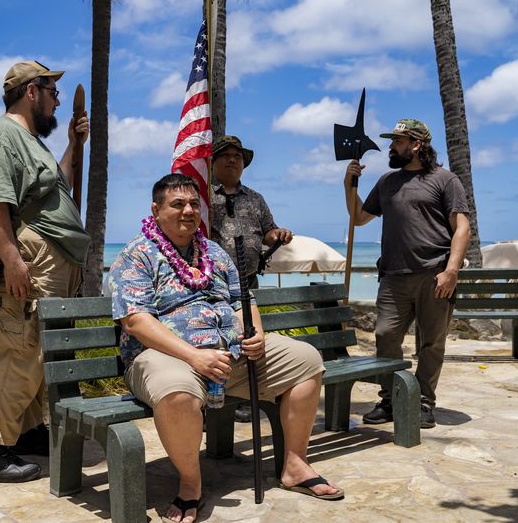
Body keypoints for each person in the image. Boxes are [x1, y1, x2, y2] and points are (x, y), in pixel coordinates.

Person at [108, 174, 343, 523]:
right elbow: (135, 321)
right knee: (177, 392)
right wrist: (192, 356)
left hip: (230, 354)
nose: (188, 210)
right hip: (165, 357)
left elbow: (241, 300)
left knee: (305, 360)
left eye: (193, 204)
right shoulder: (137, 254)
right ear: (156, 210)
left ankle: (294, 464)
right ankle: (190, 483)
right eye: (178, 204)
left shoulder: (214, 251)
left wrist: (256, 334)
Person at [0, 60, 90, 483]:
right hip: (32, 258)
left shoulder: (31, 140)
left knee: (39, 349)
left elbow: (61, 186)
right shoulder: (2, 136)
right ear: (31, 92)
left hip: (53, 258)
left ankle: (25, 432)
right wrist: (13, 261)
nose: (57, 100)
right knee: (15, 348)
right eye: (52, 92)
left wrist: (74, 143)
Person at [343, 119, 469, 429]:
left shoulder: (445, 180)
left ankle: (424, 401)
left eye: (398, 141)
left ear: (417, 145)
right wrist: (349, 184)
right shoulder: (387, 181)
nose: (391, 146)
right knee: (385, 335)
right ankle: (390, 398)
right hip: (393, 276)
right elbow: (359, 218)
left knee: (432, 342)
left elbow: (462, 227)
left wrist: (451, 270)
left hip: (433, 274)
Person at [209, 135, 293, 424]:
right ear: (213, 161)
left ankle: (244, 398)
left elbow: (267, 230)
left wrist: (277, 234)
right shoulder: (204, 197)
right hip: (211, 284)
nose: (232, 159)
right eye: (226, 155)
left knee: (247, 340)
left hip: (247, 283)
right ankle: (210, 402)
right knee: (216, 342)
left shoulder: (255, 198)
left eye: (238, 156)